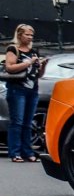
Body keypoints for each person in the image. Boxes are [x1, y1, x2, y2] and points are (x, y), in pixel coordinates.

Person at [4, 24, 44, 162]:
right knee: (17, 122)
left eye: (31, 35)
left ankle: (28, 152)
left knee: (28, 123)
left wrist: (42, 66)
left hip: (32, 89)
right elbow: (9, 67)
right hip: (17, 89)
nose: (30, 37)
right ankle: (15, 152)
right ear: (19, 35)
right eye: (27, 34)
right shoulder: (13, 49)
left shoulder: (34, 51)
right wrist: (28, 63)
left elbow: (38, 74)